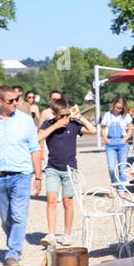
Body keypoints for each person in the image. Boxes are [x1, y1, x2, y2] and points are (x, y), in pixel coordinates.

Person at [0, 85, 42, 266]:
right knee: (6, 218)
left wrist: (38, 176)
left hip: (22, 175)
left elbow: (35, 149)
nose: (16, 103)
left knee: (18, 215)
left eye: (16, 99)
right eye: (11, 101)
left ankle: (13, 252)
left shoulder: (25, 121)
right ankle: (14, 243)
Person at [38, 97, 96, 247]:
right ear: (54, 113)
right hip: (52, 168)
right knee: (51, 200)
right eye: (61, 115)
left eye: (66, 114)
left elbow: (93, 130)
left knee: (67, 202)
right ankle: (51, 234)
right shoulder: (48, 124)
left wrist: (79, 117)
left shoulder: (74, 124)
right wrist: (56, 126)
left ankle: (67, 235)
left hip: (70, 169)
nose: (64, 118)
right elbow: (38, 137)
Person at [100, 97, 134, 188]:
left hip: (122, 143)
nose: (118, 110)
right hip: (110, 144)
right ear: (113, 105)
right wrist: (105, 139)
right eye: (117, 107)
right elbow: (103, 128)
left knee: (122, 168)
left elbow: (131, 129)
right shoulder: (107, 115)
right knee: (111, 168)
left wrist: (126, 138)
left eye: (120, 108)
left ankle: (122, 188)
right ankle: (115, 184)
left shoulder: (126, 116)